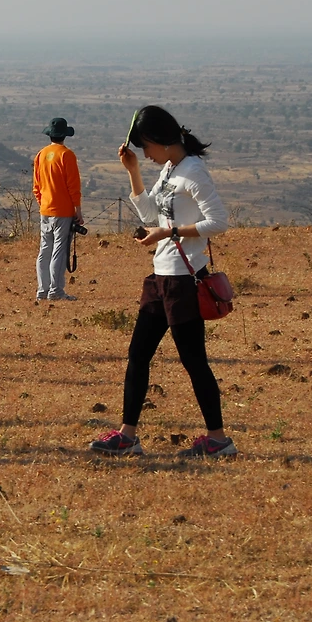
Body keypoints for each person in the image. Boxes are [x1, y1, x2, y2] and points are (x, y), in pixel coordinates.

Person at [89, 105, 234, 459]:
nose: (146, 155)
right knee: (138, 355)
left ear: (161, 140)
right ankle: (128, 435)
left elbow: (218, 222)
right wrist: (133, 171)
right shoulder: (170, 169)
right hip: (161, 277)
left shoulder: (194, 172)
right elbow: (151, 214)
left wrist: (169, 231)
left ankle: (218, 439)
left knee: (194, 361)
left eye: (146, 149)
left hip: (184, 281)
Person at [33, 117, 84, 301]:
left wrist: (43, 203)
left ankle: (42, 290)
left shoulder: (41, 155)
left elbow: (36, 187)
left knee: (44, 250)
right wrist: (77, 209)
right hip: (62, 211)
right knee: (59, 250)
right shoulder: (66, 155)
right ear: (65, 135)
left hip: (45, 209)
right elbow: (73, 185)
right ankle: (56, 291)